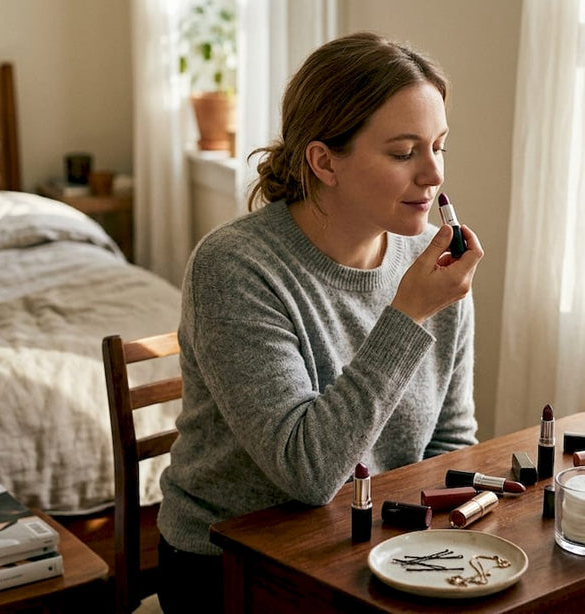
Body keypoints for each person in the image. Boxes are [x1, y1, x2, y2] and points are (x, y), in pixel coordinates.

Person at [156, 31, 484, 612]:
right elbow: (307, 472)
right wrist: (408, 313)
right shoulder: (235, 267)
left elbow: (450, 442)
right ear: (324, 161)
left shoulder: (431, 264)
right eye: (404, 152)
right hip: (232, 564)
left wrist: (433, 548)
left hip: (373, 547)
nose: (433, 174)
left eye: (440, 146)